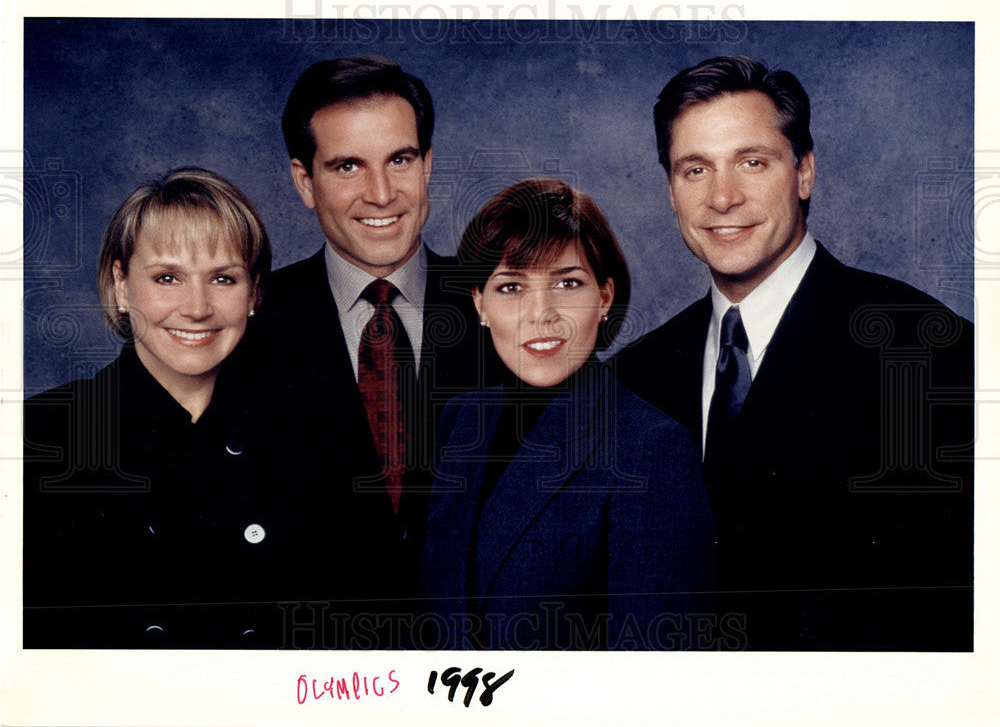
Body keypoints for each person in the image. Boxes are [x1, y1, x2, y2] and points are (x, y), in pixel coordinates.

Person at [615, 56, 974, 650]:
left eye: (752, 163)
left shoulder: (922, 350)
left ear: (804, 173)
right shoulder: (638, 374)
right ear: (671, 193)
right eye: (695, 169)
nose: (723, 197)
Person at [22, 167, 355, 648]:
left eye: (223, 278)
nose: (197, 307)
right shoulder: (40, 436)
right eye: (167, 277)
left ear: (255, 293)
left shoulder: (312, 436)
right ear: (121, 284)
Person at [249, 56, 498, 633]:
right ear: (305, 182)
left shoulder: (506, 312)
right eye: (347, 167)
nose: (381, 193)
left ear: (427, 165)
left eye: (400, 160)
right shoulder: (248, 322)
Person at [422, 178, 715, 651]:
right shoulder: (461, 421)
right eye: (511, 286)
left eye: (567, 283)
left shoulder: (651, 447)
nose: (542, 314)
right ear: (480, 304)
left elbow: (657, 680)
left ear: (604, 297)